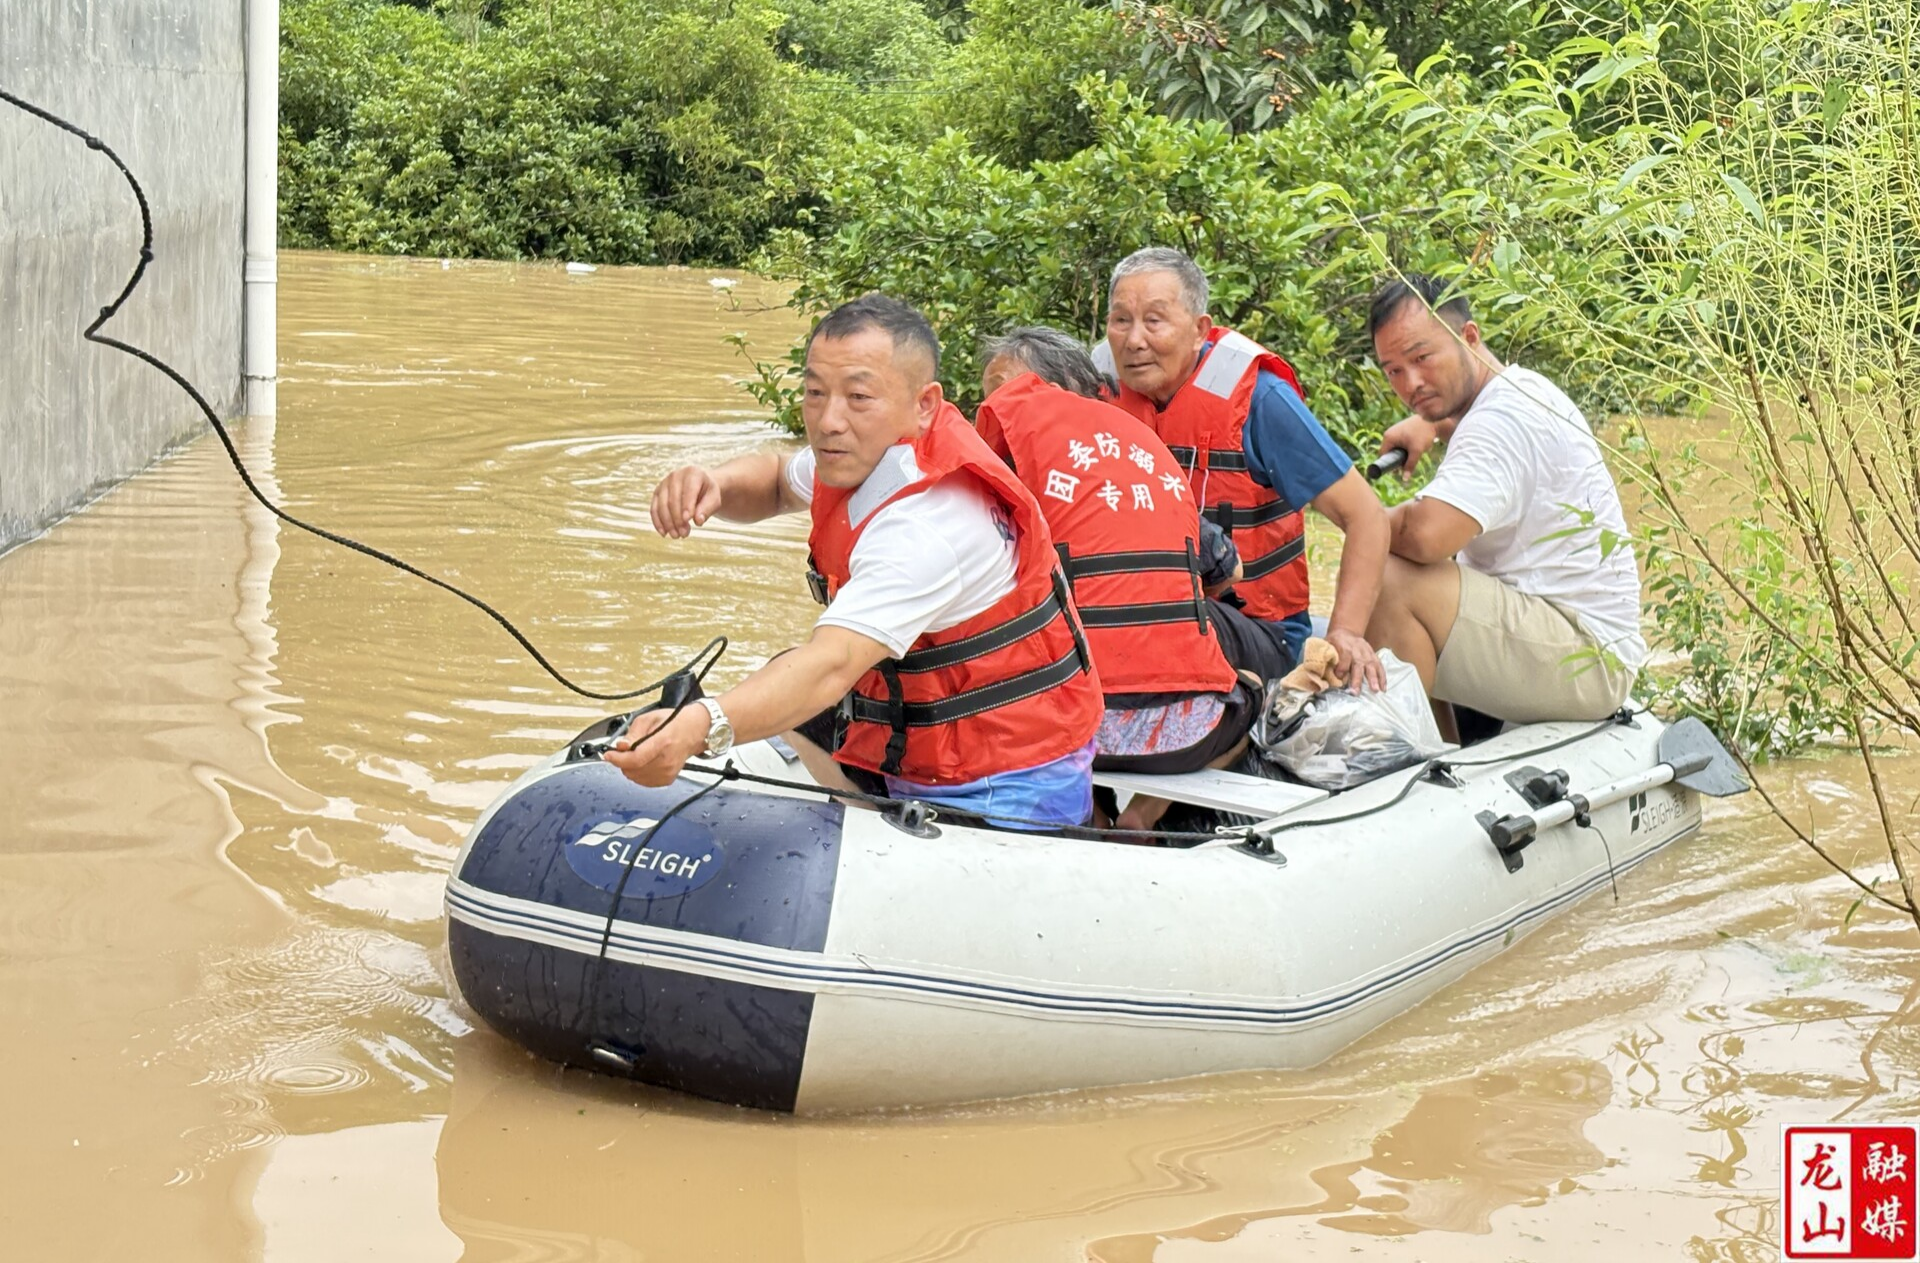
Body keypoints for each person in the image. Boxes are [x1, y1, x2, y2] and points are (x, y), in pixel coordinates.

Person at [610, 294, 1103, 830]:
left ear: (925, 403)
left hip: (1004, 784)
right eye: (815, 393)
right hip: (929, 743)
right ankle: (860, 810)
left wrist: (699, 727)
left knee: (799, 683)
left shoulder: (928, 522)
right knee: (784, 677)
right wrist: (715, 482)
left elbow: (832, 663)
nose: (828, 421)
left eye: (858, 396)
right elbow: (777, 480)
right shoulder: (875, 454)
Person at [973, 326, 1285, 830]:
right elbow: (1233, 570)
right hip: (1183, 738)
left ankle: (1095, 814)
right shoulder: (1143, 454)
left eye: (1009, 392)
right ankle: (1141, 818)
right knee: (1246, 687)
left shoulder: (990, 480)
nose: (1004, 407)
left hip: (1052, 732)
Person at [1097, 247, 1390, 691]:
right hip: (1147, 611)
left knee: (1162, 622)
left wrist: (1345, 632)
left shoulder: (1260, 402)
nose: (1134, 340)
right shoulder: (1099, 394)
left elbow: (1367, 516)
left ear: (1199, 331)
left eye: (1154, 321)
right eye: (1121, 321)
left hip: (1256, 629)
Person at [1362, 273, 1646, 729]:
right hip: (1576, 635)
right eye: (1394, 370)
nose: (1411, 382)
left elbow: (1426, 536)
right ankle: (1443, 742)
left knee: (1390, 576)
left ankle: (1420, 765)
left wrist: (1361, 518)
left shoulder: (1501, 421)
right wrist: (1434, 425)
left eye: (1422, 357)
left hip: (1587, 659)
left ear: (1469, 337)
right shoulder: (1518, 390)